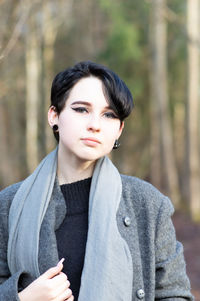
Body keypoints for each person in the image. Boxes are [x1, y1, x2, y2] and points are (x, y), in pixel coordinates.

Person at [0, 61, 194, 301]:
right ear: (54, 115)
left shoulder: (148, 204)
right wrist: (22, 298)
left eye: (109, 115)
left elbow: (175, 296)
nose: (94, 125)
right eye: (81, 109)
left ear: (119, 130)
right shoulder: (8, 205)